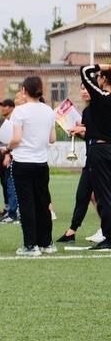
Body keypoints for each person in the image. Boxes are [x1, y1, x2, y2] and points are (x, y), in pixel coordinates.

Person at [6, 76, 56, 255]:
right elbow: (52, 138)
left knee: (26, 204)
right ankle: (46, 243)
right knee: (43, 202)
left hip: (23, 162)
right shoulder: (49, 111)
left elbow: (16, 139)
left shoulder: (19, 111)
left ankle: (30, 245)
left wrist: (7, 147)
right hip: (41, 163)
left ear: (24, 90)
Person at [58, 88, 99, 242]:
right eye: (81, 88)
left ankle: (105, 229)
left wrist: (83, 129)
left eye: (87, 88)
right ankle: (72, 231)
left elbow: (102, 133)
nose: (84, 91)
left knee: (99, 196)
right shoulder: (87, 112)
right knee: (83, 194)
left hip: (103, 159)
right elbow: (91, 137)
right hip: (91, 158)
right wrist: (79, 132)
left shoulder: (103, 108)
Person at [78, 64, 111, 250]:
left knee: (104, 196)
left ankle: (109, 236)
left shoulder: (101, 97)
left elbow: (84, 71)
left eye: (100, 77)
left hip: (100, 150)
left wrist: (104, 66)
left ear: (104, 79)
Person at [0, 99, 20, 222]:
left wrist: (7, 155)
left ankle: (13, 212)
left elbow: (11, 140)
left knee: (11, 184)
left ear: (11, 107)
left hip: (9, 156)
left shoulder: (13, 121)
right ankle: (8, 208)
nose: (2, 108)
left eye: (5, 106)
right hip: (0, 156)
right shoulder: (3, 121)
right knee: (5, 183)